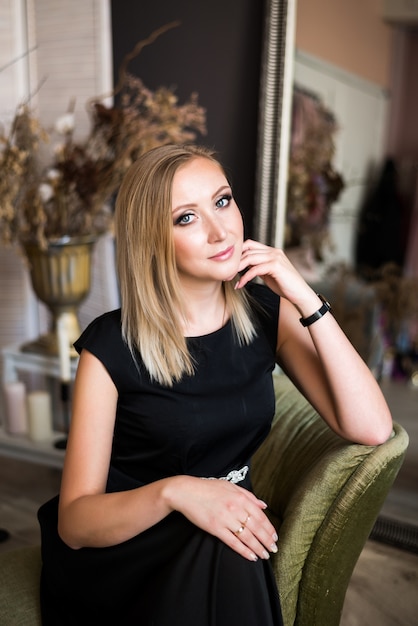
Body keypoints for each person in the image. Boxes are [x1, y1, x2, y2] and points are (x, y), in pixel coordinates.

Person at [38, 144, 392, 625]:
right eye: (186, 218)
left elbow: (372, 427)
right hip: (125, 547)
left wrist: (303, 293)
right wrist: (177, 492)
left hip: (224, 522)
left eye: (222, 201)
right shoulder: (110, 346)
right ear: (153, 240)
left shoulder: (268, 315)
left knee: (232, 541)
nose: (220, 230)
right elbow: (75, 522)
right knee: (231, 545)